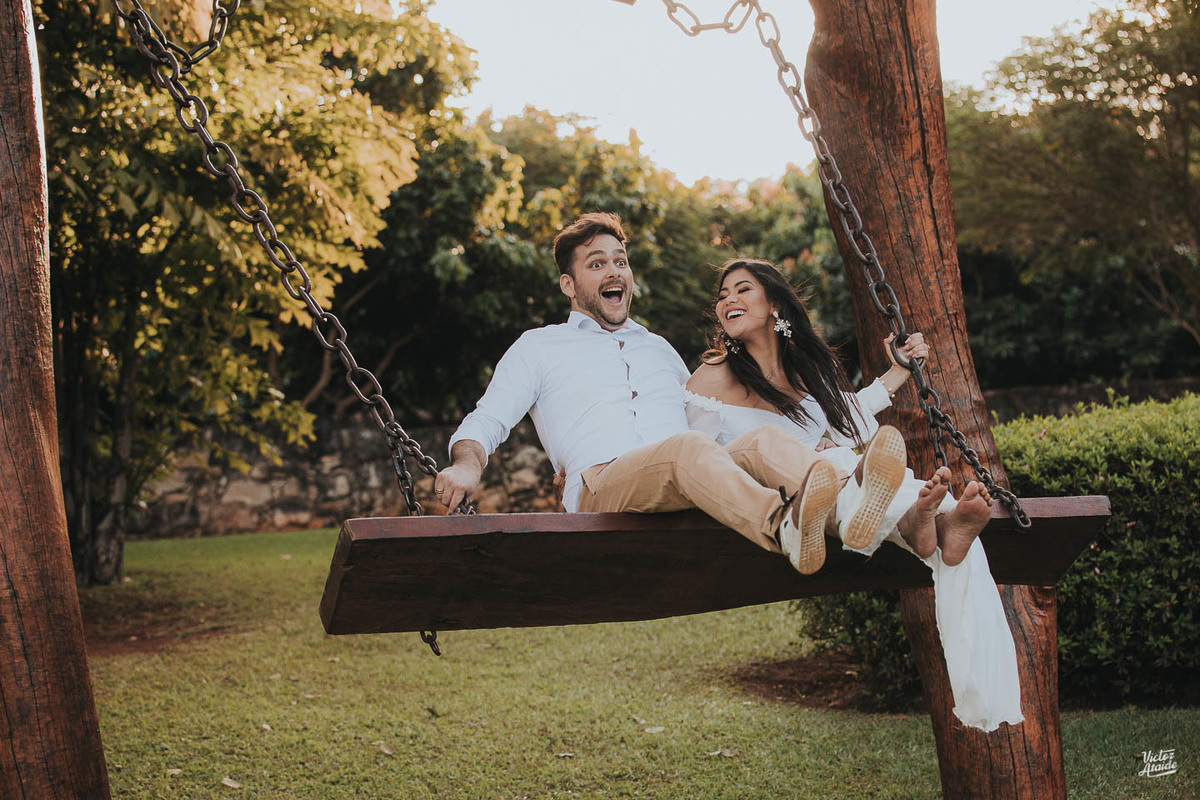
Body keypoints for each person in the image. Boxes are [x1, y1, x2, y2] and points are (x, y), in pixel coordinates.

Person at [435, 212, 909, 579]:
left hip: (682, 478)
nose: (614, 270)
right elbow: (487, 419)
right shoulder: (539, 347)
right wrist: (466, 466)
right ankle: (781, 527)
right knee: (686, 450)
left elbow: (713, 422)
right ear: (569, 285)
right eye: (596, 264)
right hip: (604, 485)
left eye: (620, 261)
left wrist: (815, 439)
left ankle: (849, 506)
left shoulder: (659, 349)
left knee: (761, 440)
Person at [684, 257, 1023, 732]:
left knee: (853, 467)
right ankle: (917, 523)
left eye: (742, 289)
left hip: (828, 483)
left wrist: (900, 370)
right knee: (847, 470)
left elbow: (849, 419)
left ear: (775, 303)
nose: (728, 300)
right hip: (775, 496)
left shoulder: (805, 369)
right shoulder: (711, 376)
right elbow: (692, 452)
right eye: (722, 295)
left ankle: (935, 525)